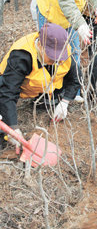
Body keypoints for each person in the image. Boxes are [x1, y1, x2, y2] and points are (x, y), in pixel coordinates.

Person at [0, 23, 80, 151]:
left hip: (45, 86)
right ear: (40, 46)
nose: (58, 60)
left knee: (51, 105)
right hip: (17, 85)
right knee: (3, 112)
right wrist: (13, 128)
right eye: (52, 56)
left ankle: (47, 100)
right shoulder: (21, 55)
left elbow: (75, 80)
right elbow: (8, 93)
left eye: (59, 56)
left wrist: (65, 102)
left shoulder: (65, 50)